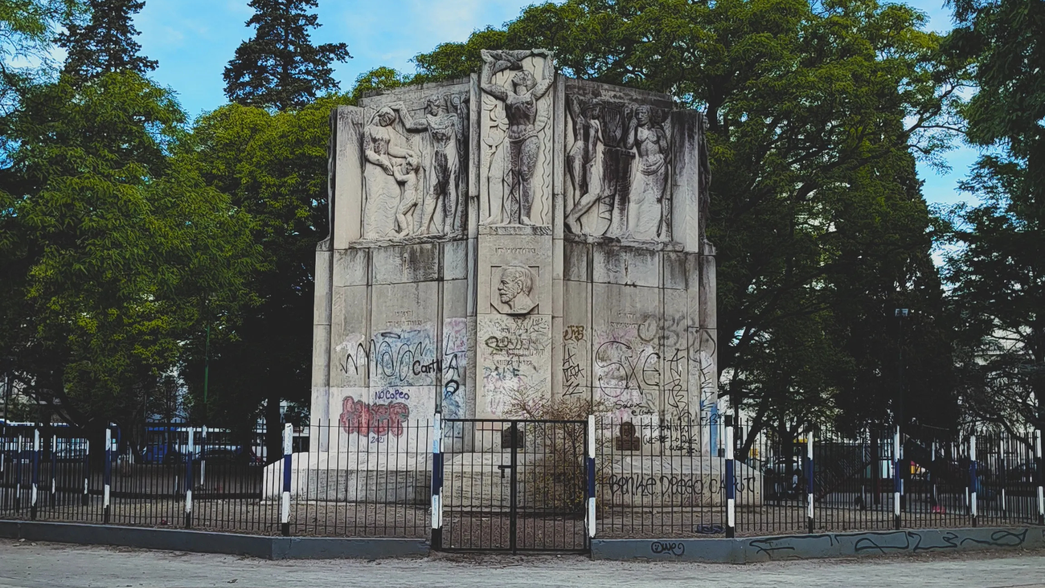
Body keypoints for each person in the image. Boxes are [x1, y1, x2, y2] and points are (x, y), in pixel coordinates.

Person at [480, 49, 554, 225]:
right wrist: (489, 63)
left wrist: (547, 57)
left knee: (525, 175)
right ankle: (496, 215)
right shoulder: (507, 95)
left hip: (528, 137)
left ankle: (525, 216)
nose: (520, 74)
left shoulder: (533, 94)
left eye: (524, 74)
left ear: (527, 81)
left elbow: (549, 80)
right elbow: (485, 85)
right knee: (495, 175)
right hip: (510, 139)